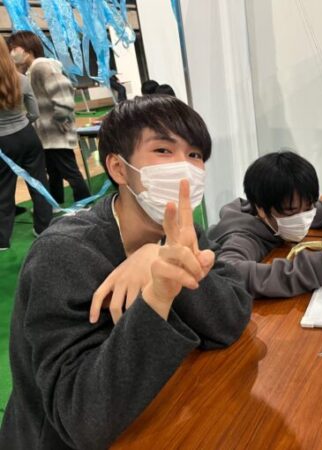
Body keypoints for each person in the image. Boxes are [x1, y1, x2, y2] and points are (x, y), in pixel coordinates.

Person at [0, 95, 253, 448]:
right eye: (163, 150)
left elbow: (231, 319)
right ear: (119, 168)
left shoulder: (180, 230)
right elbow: (82, 418)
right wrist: (158, 295)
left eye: (195, 155)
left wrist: (162, 258)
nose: (185, 167)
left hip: (155, 416)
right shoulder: (62, 254)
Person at [207, 151, 322, 298]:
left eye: (309, 207)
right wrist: (308, 271)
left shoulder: (292, 208)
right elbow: (228, 274)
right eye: (291, 211)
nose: (302, 218)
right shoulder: (241, 237)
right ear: (261, 209)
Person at [7, 31, 91, 206]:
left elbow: (63, 93)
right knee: (54, 172)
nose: (12, 53)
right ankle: (56, 203)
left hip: (56, 133)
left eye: (14, 49)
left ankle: (84, 203)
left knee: (70, 171)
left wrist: (60, 122)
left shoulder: (42, 66)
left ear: (27, 49)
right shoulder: (31, 70)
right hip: (46, 135)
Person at [0, 37, 52, 250]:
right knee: (38, 182)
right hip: (27, 136)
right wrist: (23, 123)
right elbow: (34, 113)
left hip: (3, 142)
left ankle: (2, 240)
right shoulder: (21, 79)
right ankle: (44, 228)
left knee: (3, 190)